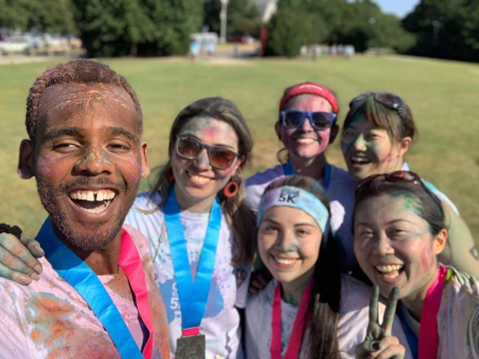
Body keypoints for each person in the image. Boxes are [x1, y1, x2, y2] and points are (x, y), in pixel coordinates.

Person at [0, 96, 255, 358]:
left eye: (222, 155)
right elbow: (63, 250)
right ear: (172, 147)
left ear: (238, 164)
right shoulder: (127, 217)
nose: (202, 163)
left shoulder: (249, 225)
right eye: (189, 146)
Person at [0, 60, 170, 357]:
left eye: (117, 145)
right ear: (28, 159)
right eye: (66, 144)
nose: (94, 163)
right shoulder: (12, 300)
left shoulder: (139, 246)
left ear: (142, 160)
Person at [245, 175, 410, 359]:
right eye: (271, 228)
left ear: (323, 239)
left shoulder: (363, 313)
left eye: (302, 231)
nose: (285, 244)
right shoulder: (257, 306)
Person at [341, 92, 479, 277]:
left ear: (402, 145)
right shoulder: (344, 186)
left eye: (371, 136)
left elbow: (473, 283)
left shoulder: (431, 204)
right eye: (350, 133)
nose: (357, 145)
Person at [353, 170, 479, 358]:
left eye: (397, 231)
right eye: (366, 233)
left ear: (439, 241)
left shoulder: (472, 313)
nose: (381, 248)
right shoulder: (357, 310)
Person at [246, 82, 359, 274]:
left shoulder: (351, 188)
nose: (306, 127)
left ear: (333, 133)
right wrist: (252, 280)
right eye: (293, 119)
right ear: (278, 129)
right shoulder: (254, 190)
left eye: (321, 120)